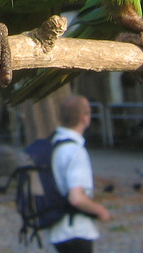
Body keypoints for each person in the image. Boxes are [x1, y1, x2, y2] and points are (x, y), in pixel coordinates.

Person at [48, 95, 110, 253]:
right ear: (84, 117)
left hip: (57, 228)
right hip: (76, 230)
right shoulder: (75, 151)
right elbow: (76, 198)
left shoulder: (54, 143)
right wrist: (100, 211)